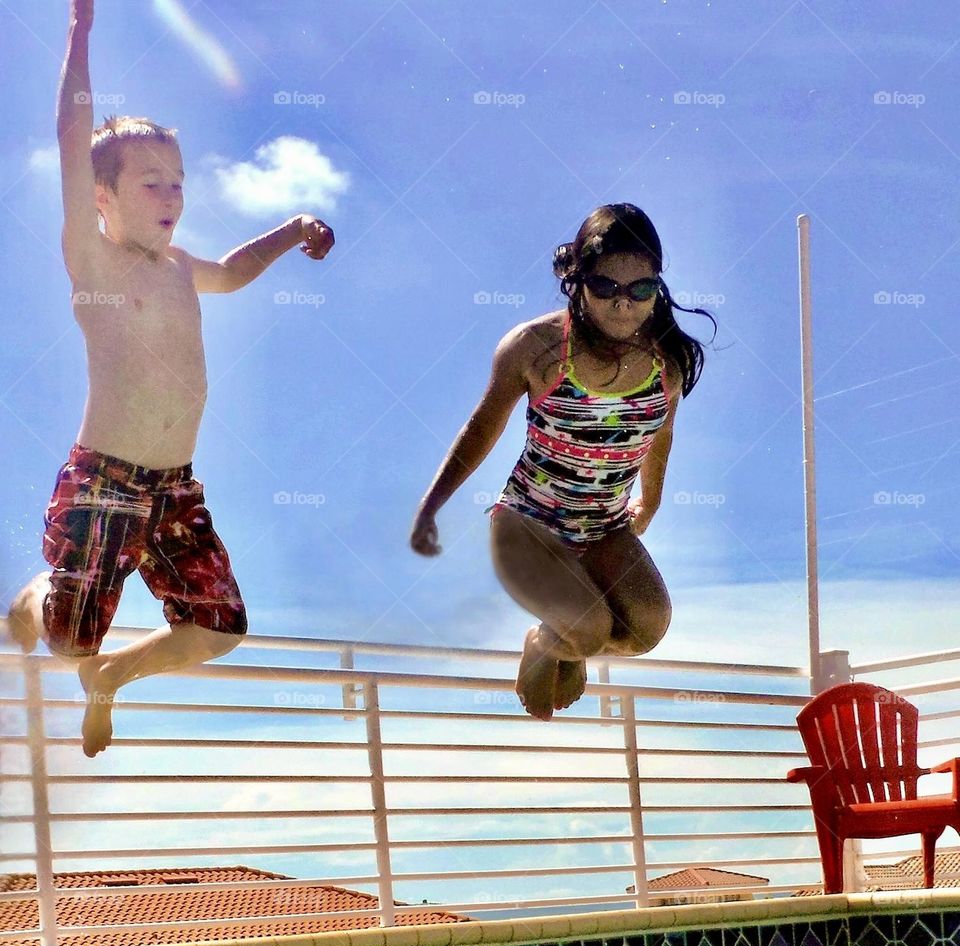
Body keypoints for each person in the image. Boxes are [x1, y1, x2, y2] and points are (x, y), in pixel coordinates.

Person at [6, 0, 334, 757]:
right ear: (103, 196)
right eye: (150, 183)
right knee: (66, 638)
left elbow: (236, 271)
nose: (171, 197)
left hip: (176, 490)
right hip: (104, 481)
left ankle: (112, 676)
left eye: (178, 183)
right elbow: (70, 136)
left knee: (219, 625)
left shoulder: (184, 269)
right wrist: (80, 32)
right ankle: (35, 598)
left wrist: (292, 229)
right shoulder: (92, 259)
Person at [410, 203, 717, 720]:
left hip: (604, 528)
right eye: (606, 286)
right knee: (591, 627)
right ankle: (556, 641)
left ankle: (561, 644)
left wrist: (652, 502)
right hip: (526, 525)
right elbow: (481, 428)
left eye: (641, 289)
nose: (623, 304)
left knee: (647, 628)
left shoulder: (667, 363)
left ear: (657, 287)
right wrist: (430, 506)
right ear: (578, 281)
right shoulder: (536, 348)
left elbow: (661, 434)